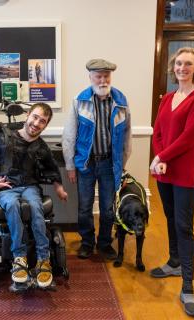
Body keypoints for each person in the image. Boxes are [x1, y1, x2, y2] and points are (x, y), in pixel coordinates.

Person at [149, 47, 194, 318]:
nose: (182, 68)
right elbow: (158, 131)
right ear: (172, 67)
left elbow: (190, 137)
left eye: (188, 64)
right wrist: (160, 156)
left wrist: (161, 155)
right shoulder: (168, 98)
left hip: (186, 170)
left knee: (184, 225)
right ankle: (174, 261)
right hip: (165, 168)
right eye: (178, 63)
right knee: (170, 216)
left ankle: (188, 286)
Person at [0, 103, 68, 288]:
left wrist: (59, 188)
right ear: (28, 115)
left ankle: (43, 259)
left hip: (29, 186)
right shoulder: (3, 138)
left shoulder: (41, 147)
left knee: (36, 207)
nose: (37, 123)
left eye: (42, 121)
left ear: (45, 126)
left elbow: (52, 169)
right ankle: (19, 258)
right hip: (6, 187)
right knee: (13, 206)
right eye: (35, 117)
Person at [62, 59, 132, 260]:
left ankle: (104, 243)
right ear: (90, 77)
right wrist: (70, 165)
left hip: (110, 164)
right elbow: (69, 136)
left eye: (106, 76)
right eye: (98, 76)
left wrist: (122, 167)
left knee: (107, 208)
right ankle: (86, 243)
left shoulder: (121, 101)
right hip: (86, 163)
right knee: (84, 207)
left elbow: (127, 136)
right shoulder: (80, 100)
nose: (103, 80)